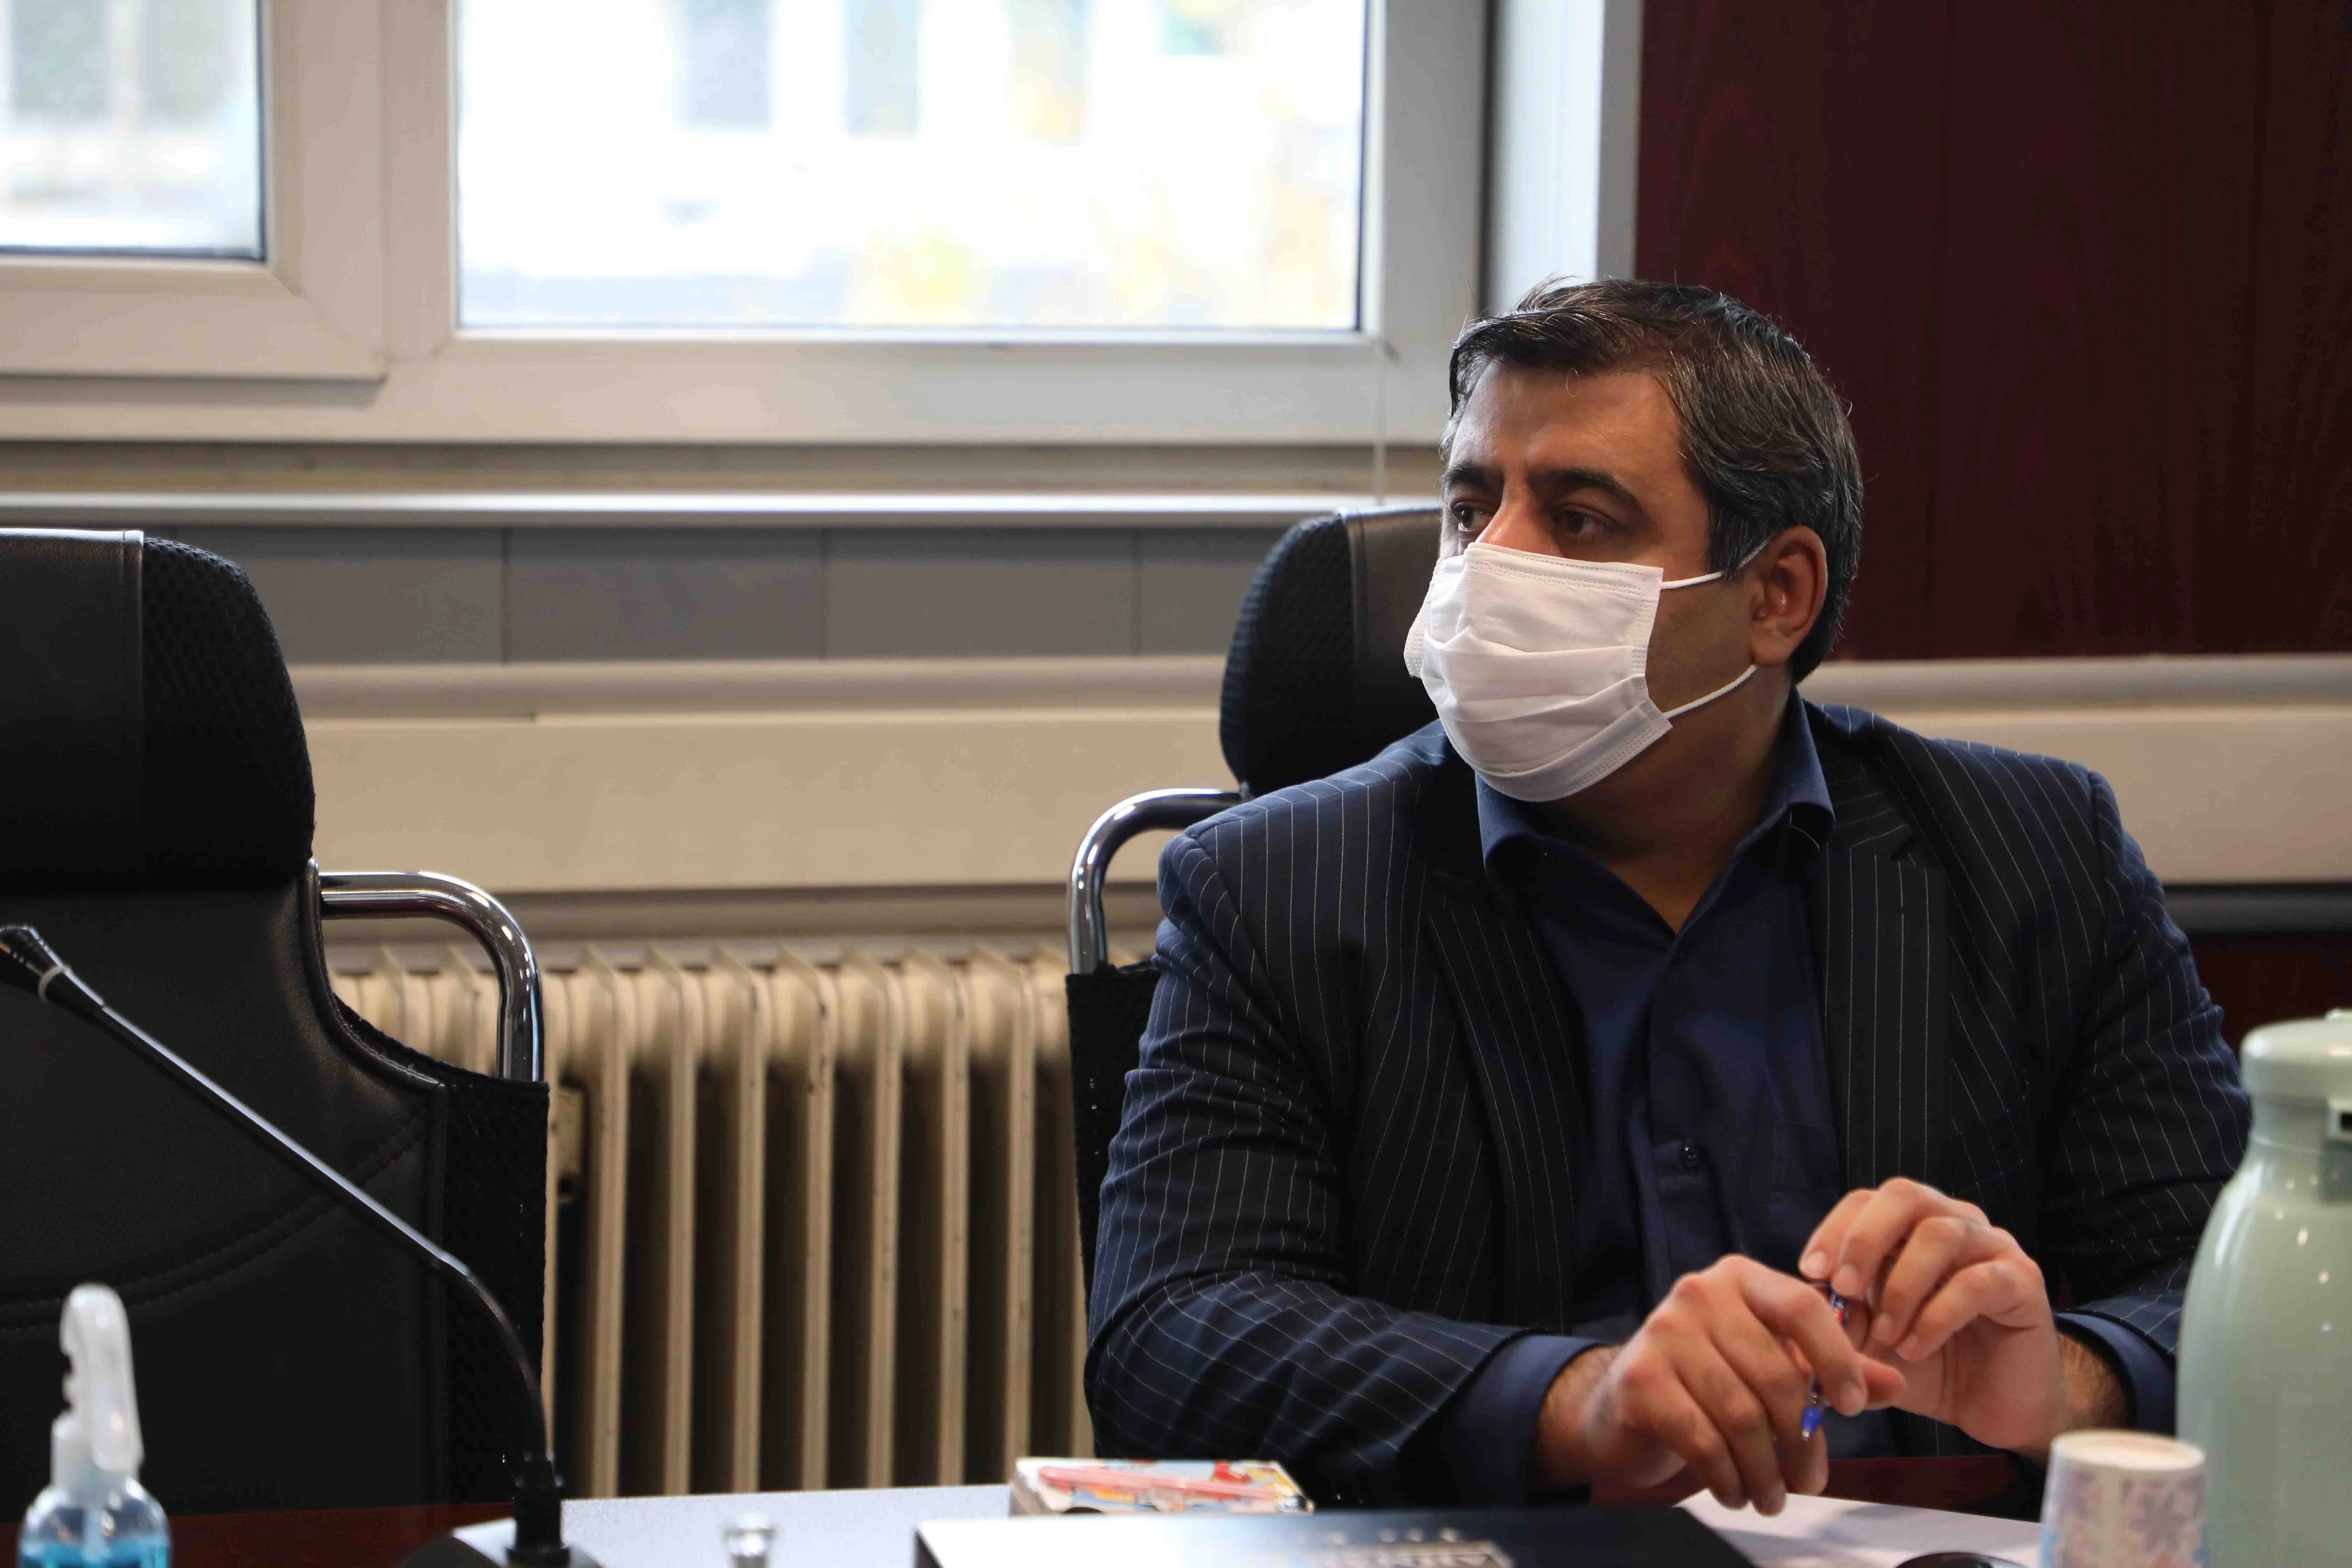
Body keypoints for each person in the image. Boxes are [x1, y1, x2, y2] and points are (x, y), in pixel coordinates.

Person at [1084, 280, 2250, 1513]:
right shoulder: (1277, 888)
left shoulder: (2037, 856)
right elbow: (1171, 1335)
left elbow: (2243, 1290)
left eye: (1580, 519)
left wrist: (2066, 1383)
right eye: (1471, 510)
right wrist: (1575, 1403)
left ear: (1775, 595)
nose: (1493, 562)